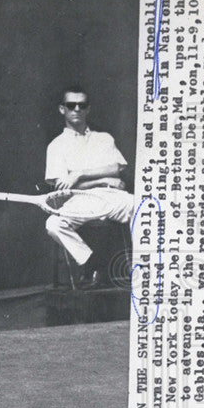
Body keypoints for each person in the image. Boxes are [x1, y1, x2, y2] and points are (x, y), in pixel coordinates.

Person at [44, 86, 135, 288]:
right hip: (79, 201)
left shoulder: (104, 138)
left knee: (144, 206)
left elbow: (116, 169)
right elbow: (63, 189)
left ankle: (145, 269)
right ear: (62, 109)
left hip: (112, 197)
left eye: (81, 105)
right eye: (71, 105)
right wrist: (103, 180)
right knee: (53, 224)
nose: (76, 109)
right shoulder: (56, 146)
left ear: (88, 109)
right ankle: (92, 263)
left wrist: (78, 174)